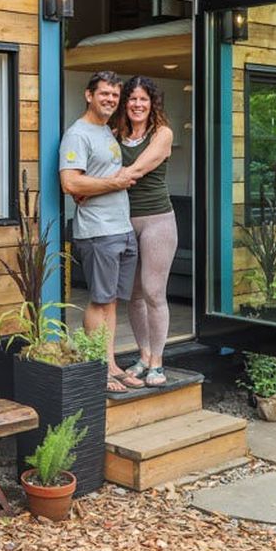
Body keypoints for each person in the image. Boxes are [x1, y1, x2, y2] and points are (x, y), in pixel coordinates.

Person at [58, 71, 142, 392]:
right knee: (99, 300)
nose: (110, 99)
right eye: (104, 93)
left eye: (114, 96)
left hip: (121, 227)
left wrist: (105, 184)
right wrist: (114, 182)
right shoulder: (78, 134)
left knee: (112, 302)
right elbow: (70, 182)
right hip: (98, 230)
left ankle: (110, 363)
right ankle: (98, 369)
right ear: (88, 95)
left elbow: (92, 181)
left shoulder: (106, 131)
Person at [113, 75, 177, 388]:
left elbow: (138, 169)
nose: (138, 105)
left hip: (157, 221)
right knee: (133, 295)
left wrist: (104, 181)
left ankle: (158, 362)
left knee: (153, 292)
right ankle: (143, 354)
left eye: (143, 99)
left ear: (152, 104)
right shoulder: (114, 134)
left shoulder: (162, 134)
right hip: (125, 221)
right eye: (132, 99)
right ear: (125, 103)